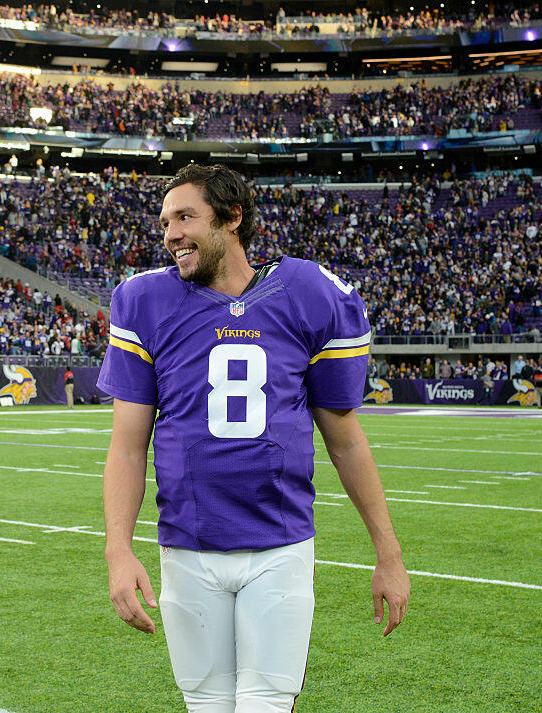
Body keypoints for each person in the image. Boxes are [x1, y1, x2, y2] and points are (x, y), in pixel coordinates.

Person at [97, 164, 409, 713]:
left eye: (186, 217)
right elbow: (127, 446)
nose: (171, 233)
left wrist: (388, 553)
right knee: (206, 705)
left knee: (266, 703)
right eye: (167, 221)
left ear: (232, 218)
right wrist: (118, 550)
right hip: (187, 545)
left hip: (279, 544)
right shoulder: (145, 300)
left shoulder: (309, 292)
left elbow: (345, 440)